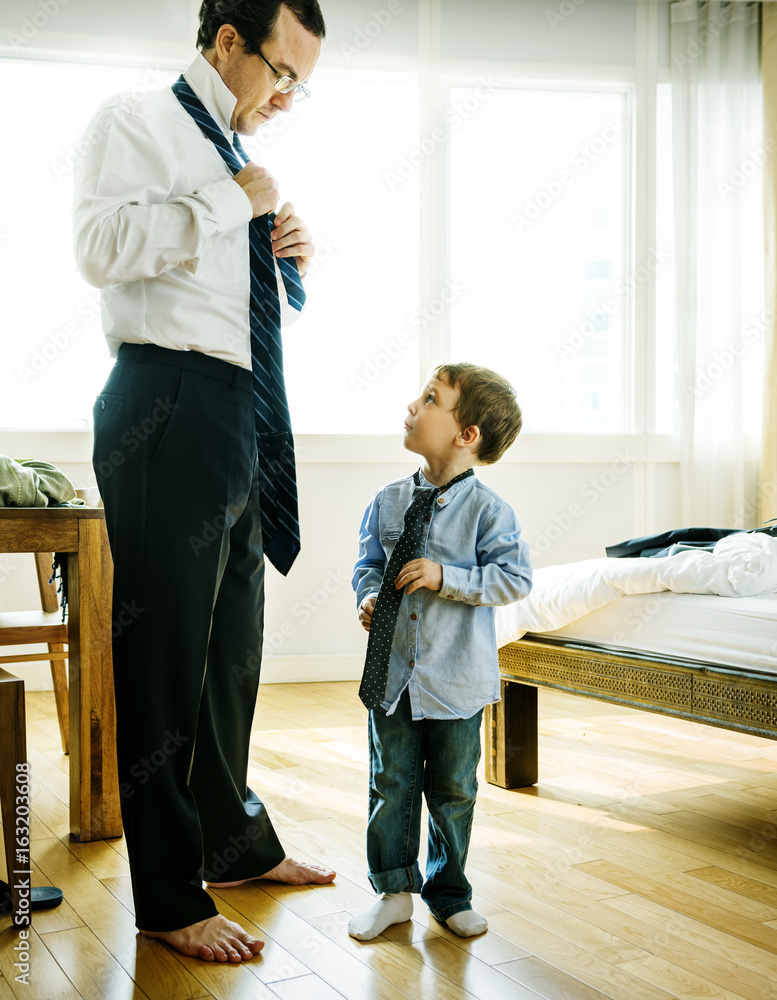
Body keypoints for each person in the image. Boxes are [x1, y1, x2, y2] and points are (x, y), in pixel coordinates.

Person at [73, 0, 334, 963]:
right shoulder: (135, 123)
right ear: (227, 42)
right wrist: (239, 202)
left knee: (231, 650)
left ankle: (232, 843)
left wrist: (288, 268)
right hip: (164, 401)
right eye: (282, 71)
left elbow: (228, 305)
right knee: (166, 655)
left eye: (301, 82)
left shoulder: (238, 156)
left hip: (239, 406)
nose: (287, 95)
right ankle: (167, 898)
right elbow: (101, 253)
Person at [350, 363, 533, 941]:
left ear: (466, 434)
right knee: (390, 783)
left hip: (456, 680)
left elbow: (514, 580)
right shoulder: (387, 501)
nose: (413, 404)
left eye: (431, 398)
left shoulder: (489, 512)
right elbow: (368, 567)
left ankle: (449, 893)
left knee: (454, 790)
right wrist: (371, 596)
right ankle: (393, 892)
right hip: (392, 674)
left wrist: (445, 576)